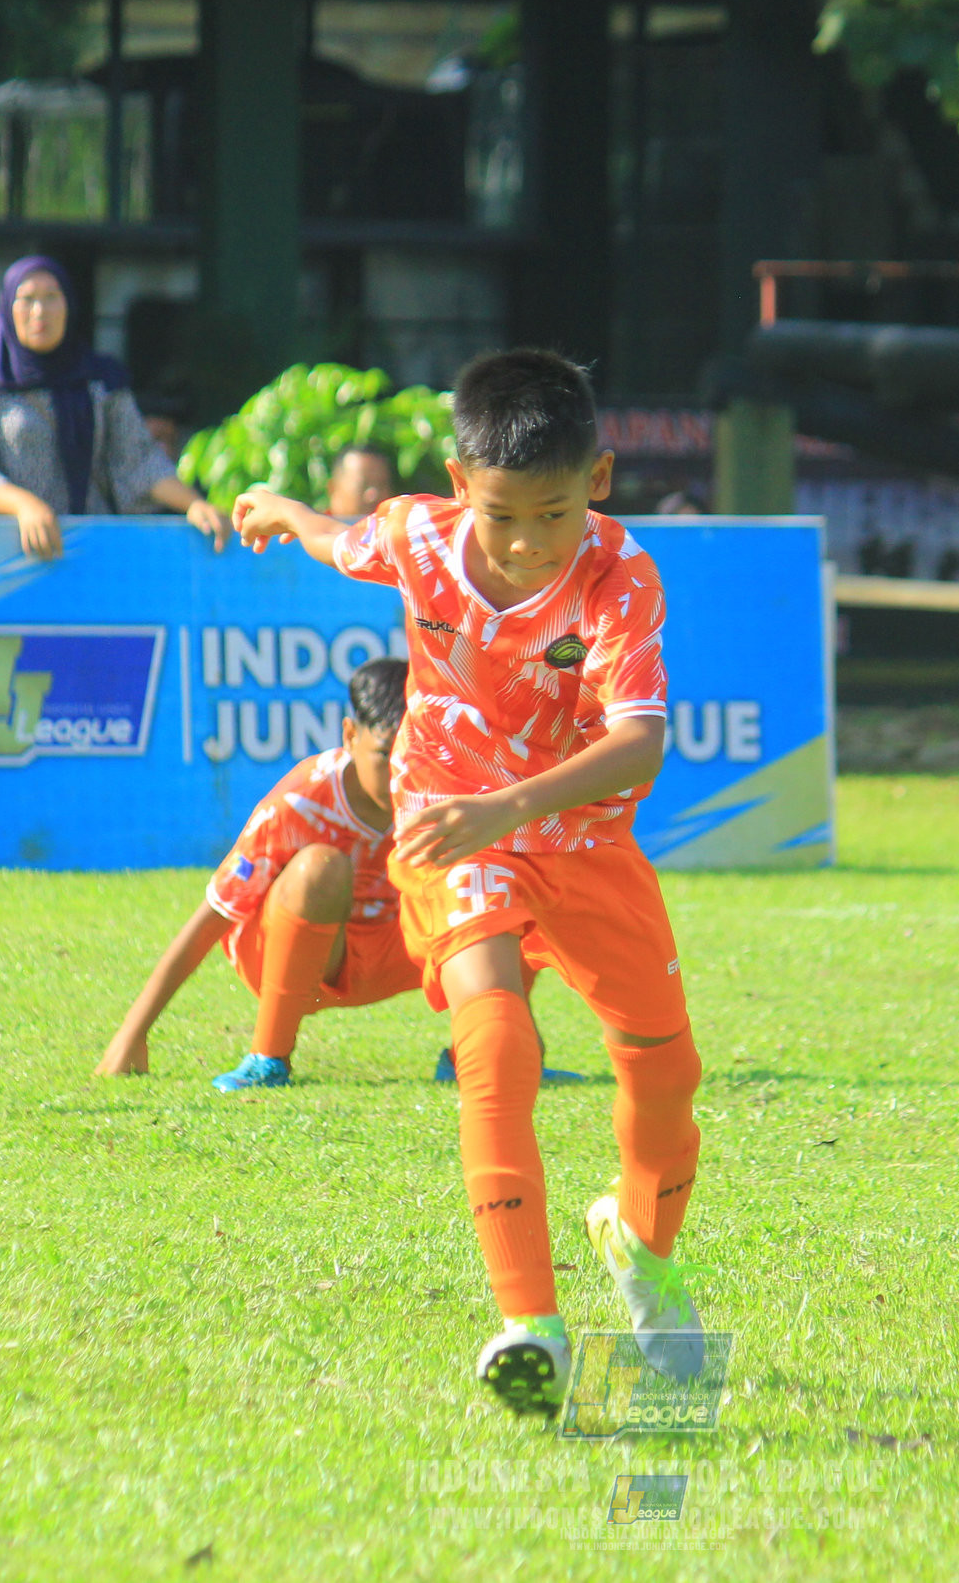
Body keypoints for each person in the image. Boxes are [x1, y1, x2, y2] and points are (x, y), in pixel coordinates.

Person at [231, 348, 705, 1419]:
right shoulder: (417, 537)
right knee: (495, 1038)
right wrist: (283, 508)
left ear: (599, 478)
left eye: (553, 512)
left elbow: (639, 745)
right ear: (458, 486)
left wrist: (515, 803)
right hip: (452, 820)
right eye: (502, 516)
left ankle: (640, 1240)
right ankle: (528, 1322)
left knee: (666, 1076)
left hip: (580, 843)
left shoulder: (621, 575)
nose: (529, 543)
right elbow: (339, 540)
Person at [94, 657, 581, 1091]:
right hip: (296, 960)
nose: (402, 773)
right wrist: (131, 1036)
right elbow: (212, 919)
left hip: (398, 950)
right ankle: (268, 1057)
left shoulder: (443, 788)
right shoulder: (302, 799)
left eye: (416, 754)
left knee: (505, 873)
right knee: (320, 868)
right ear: (350, 735)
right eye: (386, 755)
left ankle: (477, 1055)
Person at [0, 256, 228, 559]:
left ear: (68, 306)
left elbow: (139, 460)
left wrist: (194, 504)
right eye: (26, 299)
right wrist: (25, 507)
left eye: (52, 297)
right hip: (6, 557)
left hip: (95, 552)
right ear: (7, 308)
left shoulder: (100, 380)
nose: (40, 311)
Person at [325, 444, 396, 522]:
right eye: (362, 486)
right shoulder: (314, 531)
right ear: (333, 488)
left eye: (381, 485)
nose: (373, 496)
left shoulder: (396, 530)